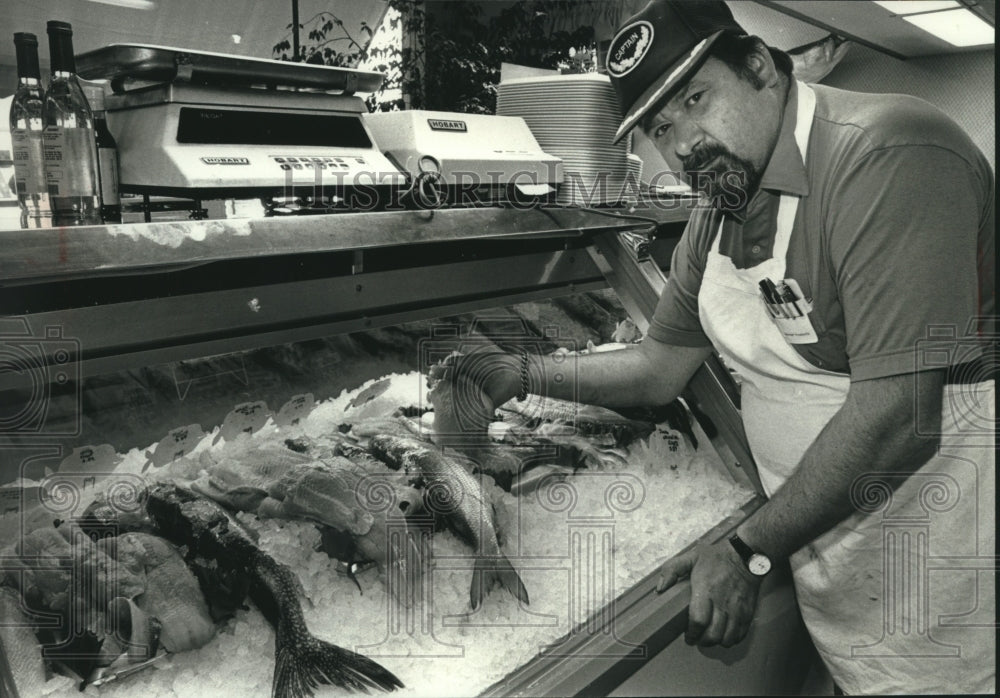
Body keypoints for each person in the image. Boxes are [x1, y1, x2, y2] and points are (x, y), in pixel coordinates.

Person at [428, 0, 995, 694]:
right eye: (662, 128)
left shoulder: (887, 155)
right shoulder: (716, 211)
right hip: (832, 549)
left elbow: (901, 416)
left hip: (946, 555)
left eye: (697, 99)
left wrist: (746, 548)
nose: (686, 142)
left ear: (759, 64)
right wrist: (516, 372)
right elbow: (658, 368)